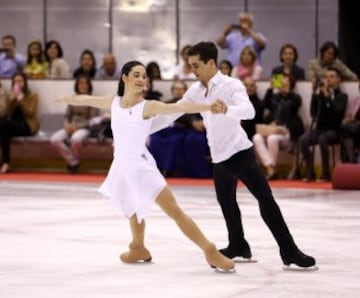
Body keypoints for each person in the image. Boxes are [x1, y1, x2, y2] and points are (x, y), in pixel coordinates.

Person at [152, 41, 316, 270]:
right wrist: (144, 127)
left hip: (239, 153)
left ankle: (289, 251)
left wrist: (227, 109)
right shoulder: (197, 90)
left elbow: (249, 111)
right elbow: (176, 111)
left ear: (211, 63)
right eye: (191, 66)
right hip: (219, 157)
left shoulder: (231, 85)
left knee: (265, 200)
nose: (193, 70)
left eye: (196, 65)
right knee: (227, 204)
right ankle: (238, 244)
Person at [57, 60, 234, 272]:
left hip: (141, 168)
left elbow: (179, 107)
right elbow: (87, 99)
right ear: (125, 78)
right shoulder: (114, 102)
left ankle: (210, 250)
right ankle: (138, 247)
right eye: (137, 75)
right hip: (121, 167)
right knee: (131, 208)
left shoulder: (147, 106)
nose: (142, 80)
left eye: (144, 76)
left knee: (174, 210)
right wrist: (65, 98)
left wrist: (208, 106)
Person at [300, 67, 348, 181]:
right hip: (320, 128)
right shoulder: (320, 95)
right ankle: (310, 171)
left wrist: (326, 95)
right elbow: (313, 113)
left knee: (323, 139)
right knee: (303, 139)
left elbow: (337, 112)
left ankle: (325, 173)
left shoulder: (342, 96)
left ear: (338, 80)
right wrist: (314, 93)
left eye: (332, 77)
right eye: (326, 77)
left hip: (334, 129)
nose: (328, 79)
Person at [253, 74, 304, 180]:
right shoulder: (274, 97)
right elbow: (265, 105)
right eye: (281, 81)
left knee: (272, 138)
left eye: (286, 81)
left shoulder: (295, 97)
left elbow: (292, 106)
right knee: (256, 137)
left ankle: (271, 169)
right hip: (272, 130)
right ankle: (271, 168)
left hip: (287, 132)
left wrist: (287, 93)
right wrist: (271, 88)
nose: (282, 83)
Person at [50, 75, 98, 173]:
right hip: (70, 126)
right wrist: (67, 125)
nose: (83, 86)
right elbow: (67, 116)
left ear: (89, 85)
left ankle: (72, 163)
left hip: (84, 128)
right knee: (54, 139)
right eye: (80, 83)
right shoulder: (72, 99)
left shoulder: (94, 100)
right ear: (77, 85)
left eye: (85, 83)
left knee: (75, 139)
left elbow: (92, 120)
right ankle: (73, 161)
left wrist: (77, 127)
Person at [0, 72, 39, 173]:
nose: (18, 84)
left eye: (20, 81)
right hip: (13, 125)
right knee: (5, 132)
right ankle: (6, 163)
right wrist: (12, 101)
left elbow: (31, 113)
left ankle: (5, 163)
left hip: (27, 126)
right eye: (15, 81)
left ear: (25, 82)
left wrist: (21, 99)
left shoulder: (33, 95)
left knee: (3, 124)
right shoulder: (11, 94)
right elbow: (7, 113)